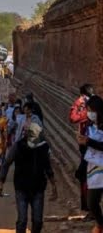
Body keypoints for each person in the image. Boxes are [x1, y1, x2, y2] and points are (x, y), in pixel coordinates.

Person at [0, 122, 57, 233]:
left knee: (38, 220)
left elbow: (47, 166)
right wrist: (1, 183)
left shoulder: (43, 147)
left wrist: (53, 185)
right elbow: (7, 163)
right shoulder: (18, 146)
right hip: (21, 188)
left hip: (38, 187)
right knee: (22, 220)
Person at [77, 95, 103, 233]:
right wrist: (82, 143)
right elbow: (85, 149)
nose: (89, 113)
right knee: (92, 202)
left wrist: (89, 142)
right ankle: (100, 224)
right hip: (93, 168)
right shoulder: (88, 125)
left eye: (91, 110)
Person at [71, 84, 95, 215]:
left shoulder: (88, 109)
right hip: (88, 147)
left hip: (90, 148)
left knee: (84, 175)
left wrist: (78, 104)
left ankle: (90, 208)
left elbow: (73, 118)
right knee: (84, 175)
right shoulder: (91, 106)